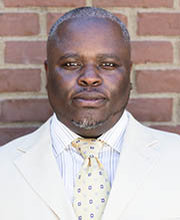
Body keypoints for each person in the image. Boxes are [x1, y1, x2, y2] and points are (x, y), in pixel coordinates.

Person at [0, 7, 180, 220]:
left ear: (128, 73)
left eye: (108, 64)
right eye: (71, 64)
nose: (90, 78)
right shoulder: (4, 167)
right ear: (48, 74)